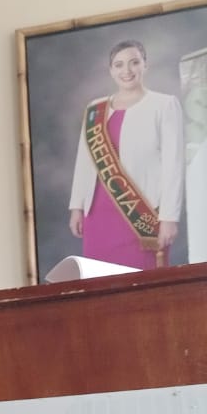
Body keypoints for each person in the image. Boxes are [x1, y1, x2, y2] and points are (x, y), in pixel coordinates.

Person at [68, 40, 186, 269]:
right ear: (111, 70)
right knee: (100, 281)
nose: (127, 70)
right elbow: (84, 162)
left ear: (145, 65)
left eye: (134, 62)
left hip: (141, 214)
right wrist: (76, 207)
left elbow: (174, 165)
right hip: (97, 215)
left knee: (143, 282)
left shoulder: (164, 105)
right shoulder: (95, 110)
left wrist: (169, 217)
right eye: (119, 64)